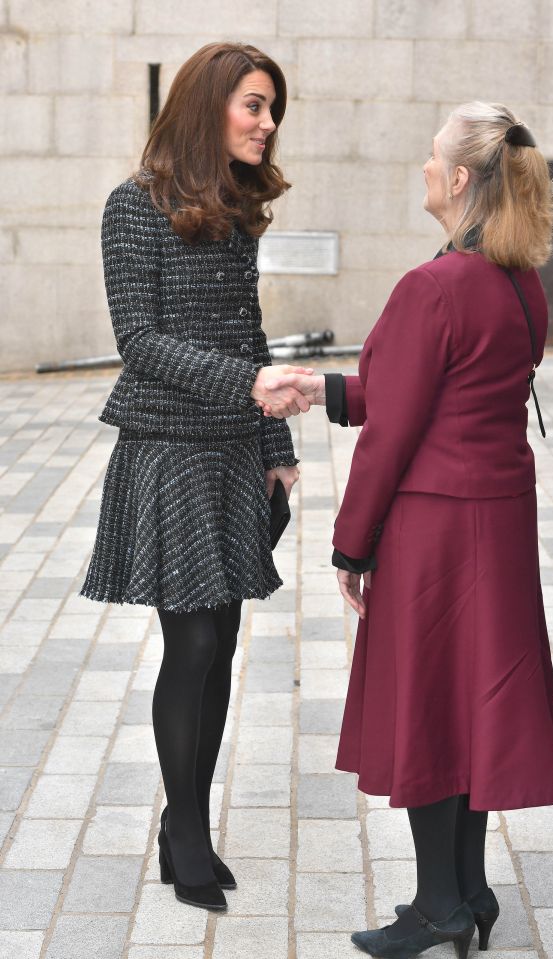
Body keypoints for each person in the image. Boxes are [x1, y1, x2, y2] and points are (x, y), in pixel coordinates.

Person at [262, 102, 553, 958]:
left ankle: (436, 906)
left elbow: (396, 428)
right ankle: (468, 893)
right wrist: (318, 389)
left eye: (434, 156)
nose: (424, 167)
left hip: (436, 533)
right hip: (499, 526)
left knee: (431, 711)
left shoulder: (431, 286)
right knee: (469, 705)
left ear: (463, 179)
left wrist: (350, 544)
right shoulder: (517, 281)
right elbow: (422, 388)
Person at [80, 42, 312, 912]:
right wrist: (245, 386)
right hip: (169, 450)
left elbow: (246, 331)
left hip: (231, 448)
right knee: (196, 644)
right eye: (254, 105)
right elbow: (138, 339)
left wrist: (275, 449)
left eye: (272, 108)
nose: (267, 122)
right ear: (210, 105)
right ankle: (185, 831)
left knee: (224, 649)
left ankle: (190, 823)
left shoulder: (238, 207)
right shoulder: (132, 207)